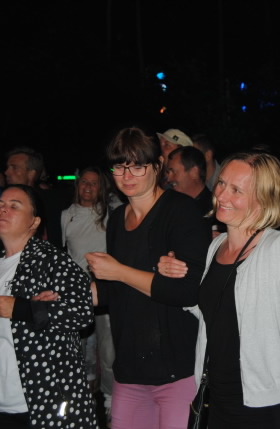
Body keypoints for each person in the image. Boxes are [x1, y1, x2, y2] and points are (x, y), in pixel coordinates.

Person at [158, 151, 280, 428]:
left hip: (262, 406)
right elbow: (217, 312)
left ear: (263, 199)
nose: (221, 195)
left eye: (236, 190)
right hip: (214, 396)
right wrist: (179, 277)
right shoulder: (217, 246)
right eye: (222, 183)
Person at [0, 184, 97, 429]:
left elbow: (81, 311)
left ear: (34, 222)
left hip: (46, 403)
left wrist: (22, 308)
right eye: (0, 205)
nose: (3, 210)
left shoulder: (52, 261)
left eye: (14, 206)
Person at [85, 127, 210, 429]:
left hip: (175, 369)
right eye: (119, 166)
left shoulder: (180, 210)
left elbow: (189, 291)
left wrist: (119, 271)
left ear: (157, 166)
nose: (127, 175)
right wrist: (69, 295)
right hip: (129, 367)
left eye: (137, 166)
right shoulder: (117, 219)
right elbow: (115, 290)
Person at [61, 166, 115, 425]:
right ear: (77, 185)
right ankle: (77, 398)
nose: (88, 187)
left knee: (109, 349)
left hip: (105, 288)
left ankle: (109, 400)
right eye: (84, 182)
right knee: (75, 349)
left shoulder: (112, 213)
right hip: (76, 292)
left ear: (101, 187)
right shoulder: (66, 215)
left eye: (94, 183)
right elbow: (63, 253)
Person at [4, 146, 70, 248]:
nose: (7, 172)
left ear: (31, 174)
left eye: (14, 168)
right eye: (8, 167)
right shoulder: (3, 202)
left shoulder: (53, 201)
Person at [166, 146, 212, 216]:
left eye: (173, 172)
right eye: (168, 172)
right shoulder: (171, 203)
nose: (168, 179)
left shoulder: (212, 212)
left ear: (194, 172)